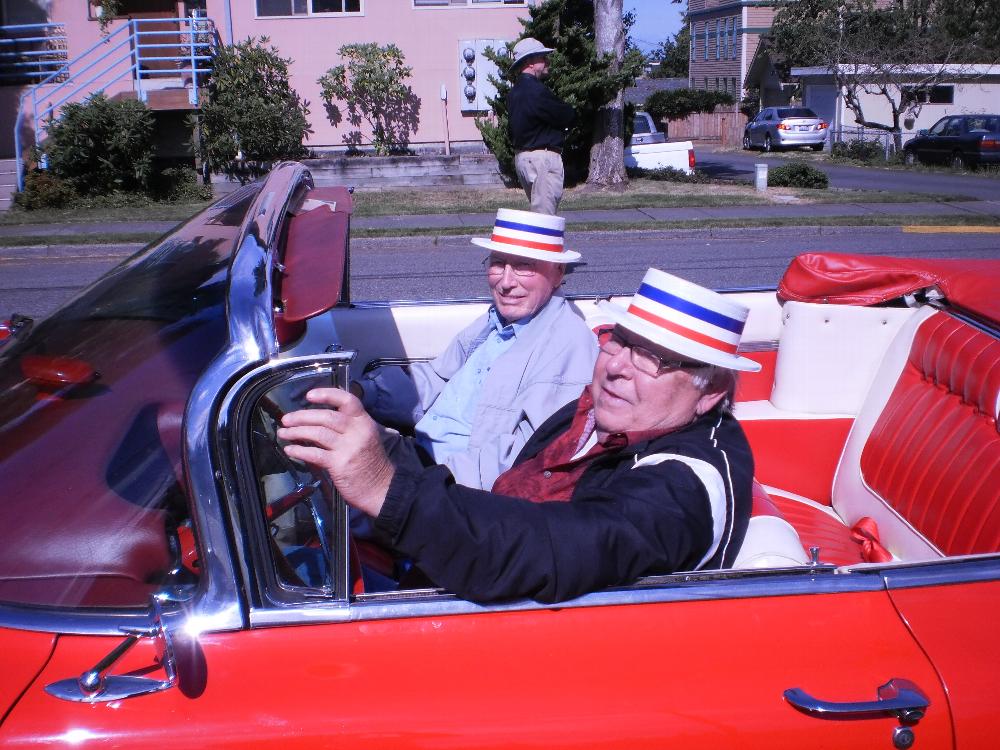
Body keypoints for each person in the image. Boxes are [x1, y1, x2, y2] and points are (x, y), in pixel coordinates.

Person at [279, 268, 761, 604]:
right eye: (620, 342)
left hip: (496, 618)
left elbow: (550, 546)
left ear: (711, 391)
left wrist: (387, 489)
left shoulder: (680, 490)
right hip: (456, 558)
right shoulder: (598, 411)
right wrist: (385, 453)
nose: (617, 367)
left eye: (653, 359)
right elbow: (507, 479)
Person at [352, 208, 596, 490]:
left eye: (524, 266)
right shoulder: (496, 321)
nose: (506, 282)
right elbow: (436, 377)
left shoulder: (567, 346)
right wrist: (363, 391)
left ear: (557, 273)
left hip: (450, 482)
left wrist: (416, 481)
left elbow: (526, 456)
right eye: (498, 263)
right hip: (421, 453)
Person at [507, 37, 575, 215]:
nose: (547, 61)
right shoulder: (536, 91)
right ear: (529, 62)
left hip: (523, 159)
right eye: (542, 57)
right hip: (542, 160)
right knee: (544, 220)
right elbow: (567, 115)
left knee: (539, 216)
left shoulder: (514, 93)